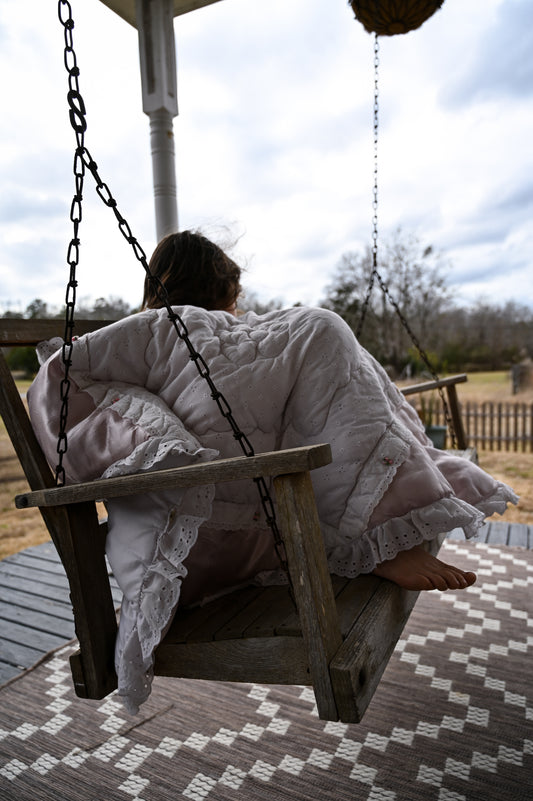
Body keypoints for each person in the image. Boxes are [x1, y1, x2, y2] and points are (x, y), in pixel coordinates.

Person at [28, 230, 517, 712]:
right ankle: (369, 539)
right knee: (320, 328)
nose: (237, 313)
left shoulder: (161, 337)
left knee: (315, 340)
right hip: (209, 538)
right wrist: (163, 444)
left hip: (232, 539)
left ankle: (375, 526)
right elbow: (62, 378)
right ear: (221, 291)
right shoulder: (157, 330)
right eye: (233, 300)